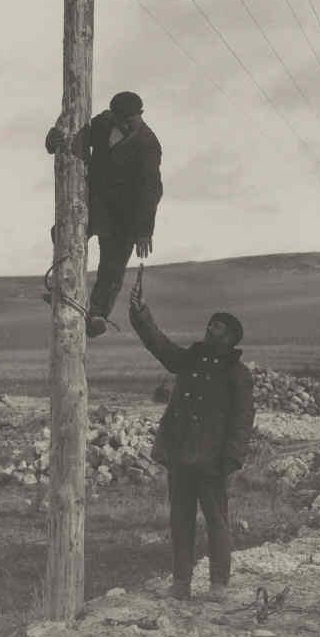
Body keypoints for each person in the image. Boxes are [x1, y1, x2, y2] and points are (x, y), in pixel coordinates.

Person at [129, 290, 255, 602]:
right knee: (180, 521)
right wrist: (142, 316)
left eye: (217, 326)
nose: (209, 328)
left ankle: (218, 585)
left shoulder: (238, 374)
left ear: (230, 337)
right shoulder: (190, 360)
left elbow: (242, 420)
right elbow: (160, 346)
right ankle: (181, 583)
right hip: (181, 456)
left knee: (217, 522)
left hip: (213, 462)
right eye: (210, 324)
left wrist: (232, 458)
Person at [46, 91, 162, 337]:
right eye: (122, 119)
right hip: (95, 203)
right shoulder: (102, 123)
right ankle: (64, 288)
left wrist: (143, 231)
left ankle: (97, 315)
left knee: (112, 268)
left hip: (126, 217)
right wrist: (53, 140)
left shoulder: (148, 144)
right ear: (113, 115)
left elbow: (151, 190)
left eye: (132, 119)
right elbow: (74, 141)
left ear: (140, 115)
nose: (126, 124)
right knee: (62, 234)